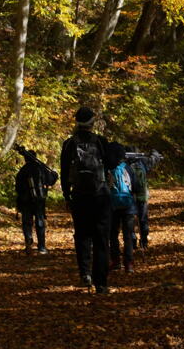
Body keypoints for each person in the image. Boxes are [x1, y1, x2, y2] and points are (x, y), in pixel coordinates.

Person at [59, 107, 115, 293]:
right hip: (100, 195)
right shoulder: (100, 142)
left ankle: (85, 273)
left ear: (76, 122)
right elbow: (111, 164)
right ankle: (101, 283)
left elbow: (64, 171)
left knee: (82, 235)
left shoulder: (68, 144)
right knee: (101, 239)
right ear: (92, 123)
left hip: (80, 196)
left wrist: (67, 195)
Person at [13, 144, 58, 254]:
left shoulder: (22, 171)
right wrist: (55, 175)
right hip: (39, 200)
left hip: (26, 201)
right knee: (40, 221)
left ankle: (28, 241)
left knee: (27, 222)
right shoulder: (41, 169)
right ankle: (41, 247)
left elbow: (17, 188)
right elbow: (51, 180)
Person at [105, 141, 136, 272]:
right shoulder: (128, 168)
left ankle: (115, 261)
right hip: (128, 206)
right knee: (127, 235)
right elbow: (136, 186)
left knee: (113, 234)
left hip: (112, 206)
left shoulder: (107, 168)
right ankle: (128, 263)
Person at [126, 151, 151, 250]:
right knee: (143, 219)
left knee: (130, 220)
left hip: (130, 196)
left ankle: (133, 242)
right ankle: (144, 242)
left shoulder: (126, 165)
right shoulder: (143, 162)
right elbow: (153, 160)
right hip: (143, 196)